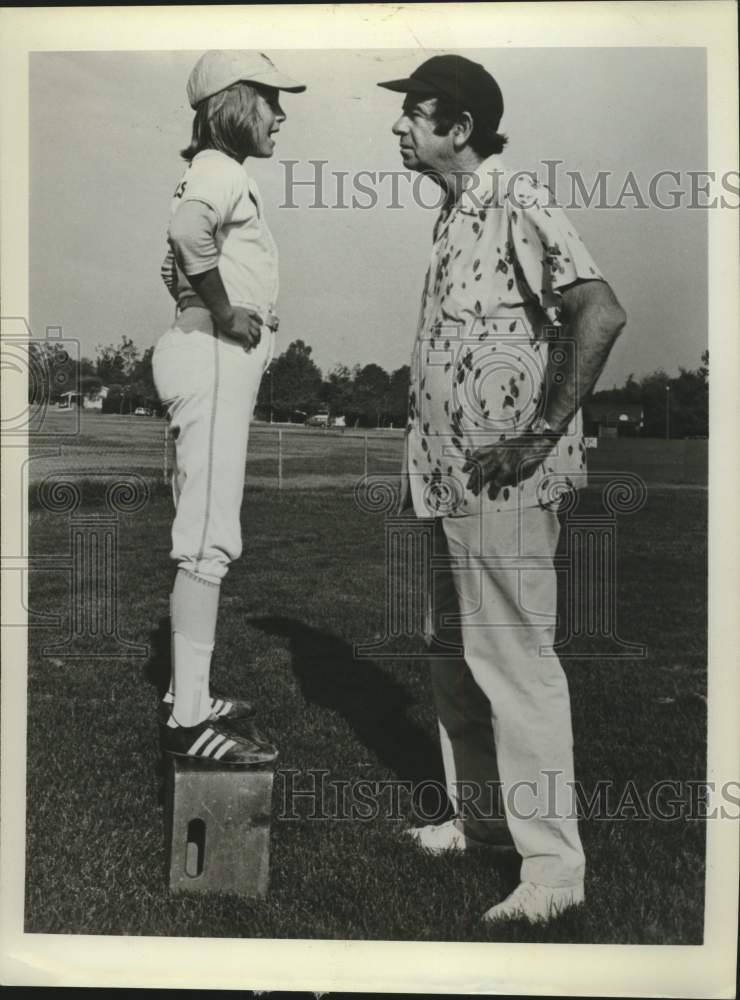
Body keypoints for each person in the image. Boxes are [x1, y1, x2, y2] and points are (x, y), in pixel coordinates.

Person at [377, 55, 626, 923]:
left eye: (415, 113)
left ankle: (555, 871)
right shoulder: (453, 214)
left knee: (515, 662)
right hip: (447, 475)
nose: (399, 128)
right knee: (454, 655)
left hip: (503, 479)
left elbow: (599, 310)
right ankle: (480, 825)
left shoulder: (515, 195)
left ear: (461, 129)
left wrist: (540, 432)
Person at [153, 50, 306, 764]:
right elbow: (188, 239)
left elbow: (170, 260)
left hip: (200, 352)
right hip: (213, 357)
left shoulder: (207, 170)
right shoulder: (222, 168)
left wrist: (195, 302)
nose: (280, 114)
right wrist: (222, 311)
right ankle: (189, 719)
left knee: (202, 533)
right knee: (210, 540)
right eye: (271, 100)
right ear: (237, 104)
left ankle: (191, 690)